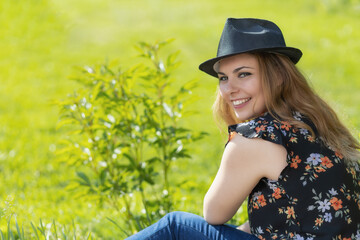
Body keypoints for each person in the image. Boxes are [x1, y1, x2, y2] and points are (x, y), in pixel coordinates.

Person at [126, 18, 360, 240]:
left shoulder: (256, 138)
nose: (229, 89)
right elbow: (296, 214)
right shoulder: (314, 123)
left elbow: (214, 213)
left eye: (244, 74)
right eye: (223, 77)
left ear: (278, 75)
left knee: (176, 227)